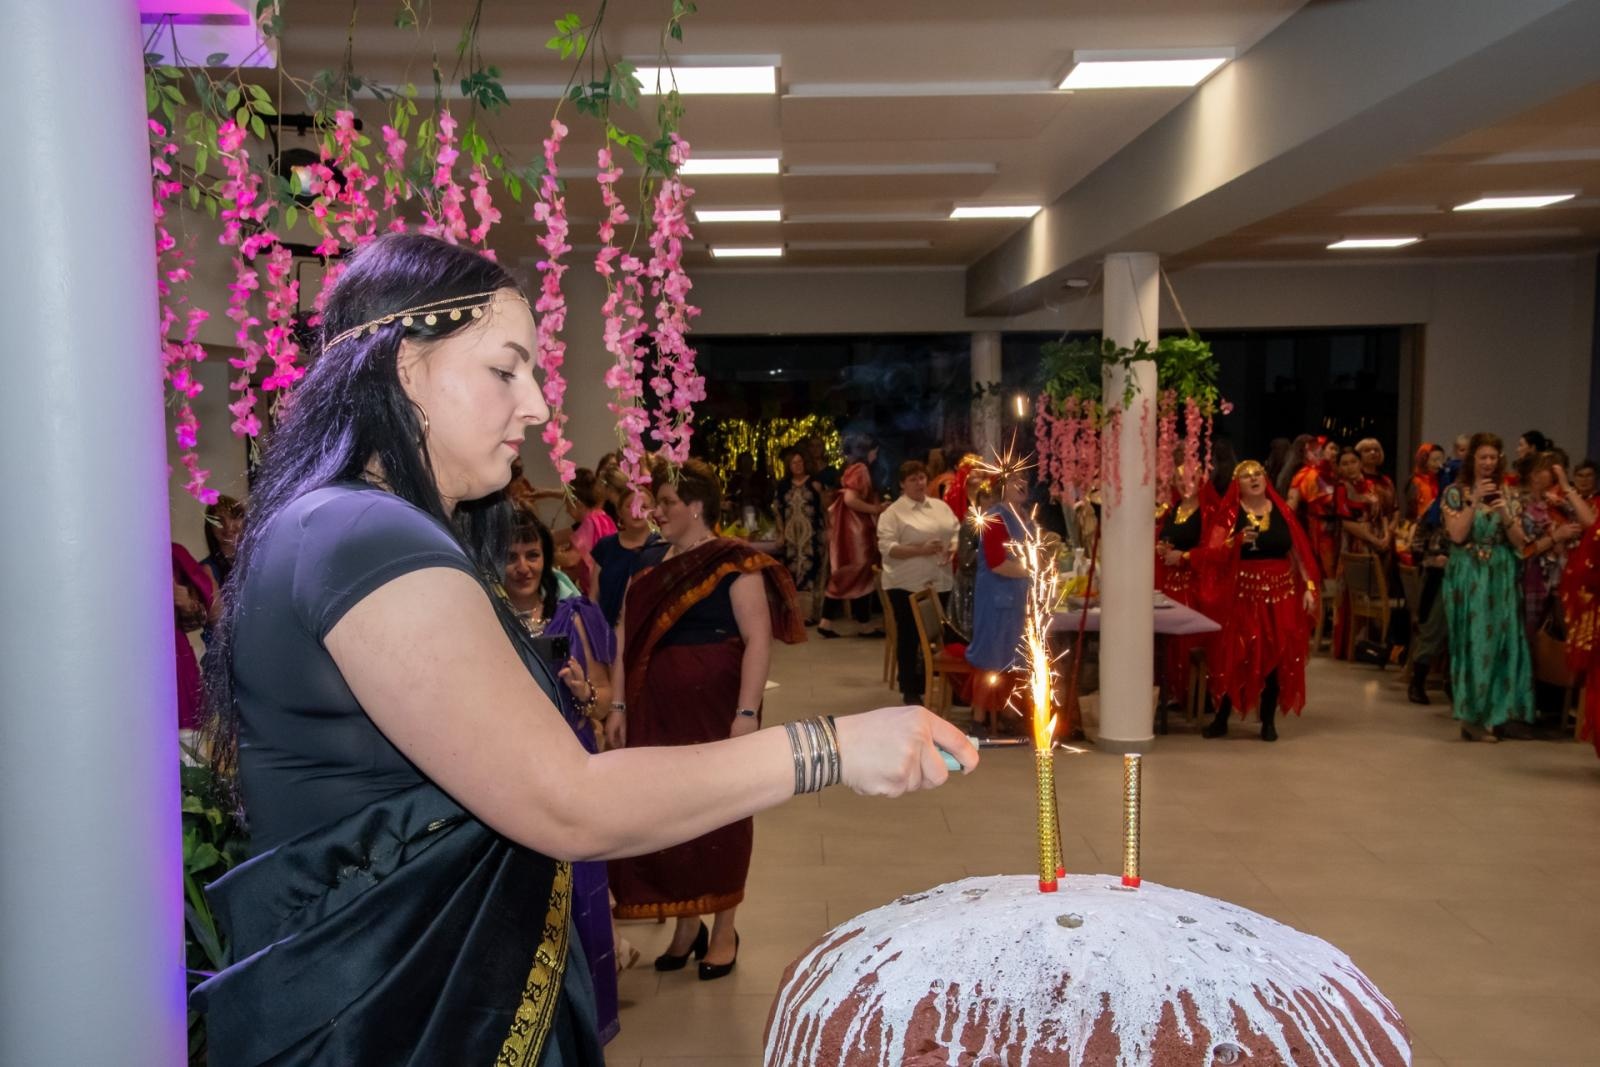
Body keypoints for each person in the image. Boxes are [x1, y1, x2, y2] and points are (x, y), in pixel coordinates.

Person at [191, 234, 977, 1066]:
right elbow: (568, 801)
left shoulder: (344, 525)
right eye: (506, 370)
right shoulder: (360, 533)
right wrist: (831, 747)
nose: (535, 404)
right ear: (405, 367)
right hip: (390, 1020)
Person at [607, 458, 806, 982]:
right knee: (671, 813)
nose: (656, 512)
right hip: (657, 712)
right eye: (656, 502)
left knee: (722, 814)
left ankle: (724, 929)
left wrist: (746, 712)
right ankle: (686, 923)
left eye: (667, 503)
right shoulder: (648, 564)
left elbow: (758, 640)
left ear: (696, 507)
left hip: (716, 710)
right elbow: (624, 637)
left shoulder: (732, 561)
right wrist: (619, 706)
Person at [503, 505, 622, 1042]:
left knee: (581, 896)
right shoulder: (486, 619)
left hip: (573, 767)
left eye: (532, 555)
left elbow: (604, 702)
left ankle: (585, 1026)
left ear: (547, 559)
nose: (523, 567)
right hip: (512, 773)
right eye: (511, 557)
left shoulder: (574, 616)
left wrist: (583, 691)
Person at [1196, 461, 1320, 742]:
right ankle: (1221, 718)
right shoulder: (1230, 514)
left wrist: (1309, 588)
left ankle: (1268, 720)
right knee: (1237, 653)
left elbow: (1298, 552)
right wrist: (1235, 542)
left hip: (1280, 594)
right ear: (1237, 485)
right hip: (1242, 595)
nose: (1253, 479)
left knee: (1277, 652)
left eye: (1258, 474)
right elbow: (1212, 552)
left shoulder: (1283, 512)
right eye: (1246, 476)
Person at [1440, 433, 1534, 741]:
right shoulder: (1456, 493)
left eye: (1493, 457)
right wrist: (1475, 500)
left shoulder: (1509, 493)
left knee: (1502, 644)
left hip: (1501, 575)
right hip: (1469, 575)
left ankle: (1497, 713)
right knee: (1474, 643)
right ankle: (1471, 717)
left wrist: (1504, 510)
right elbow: (1457, 535)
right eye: (1483, 457)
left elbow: (1521, 542)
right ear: (1472, 460)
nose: (1489, 463)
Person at [878, 460, 961, 707]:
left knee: (950, 632)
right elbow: (888, 549)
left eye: (922, 478)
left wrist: (953, 548)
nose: (919, 483)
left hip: (941, 580)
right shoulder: (893, 513)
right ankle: (909, 687)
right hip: (906, 583)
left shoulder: (940, 506)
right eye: (912, 479)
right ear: (902, 484)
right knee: (910, 634)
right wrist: (921, 549)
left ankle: (950, 684)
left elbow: (956, 531)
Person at [966, 469, 1033, 728]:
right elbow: (997, 563)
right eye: (1015, 480)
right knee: (990, 660)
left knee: (1015, 658)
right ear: (1002, 488)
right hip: (995, 601)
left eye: (1024, 479)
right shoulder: (995, 518)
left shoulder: (1024, 517)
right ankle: (979, 717)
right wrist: (1032, 570)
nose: (1022, 484)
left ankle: (1008, 713)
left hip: (1016, 599)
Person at [1517, 452, 1592, 637]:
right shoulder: (1520, 505)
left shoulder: (1557, 502)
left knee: (1567, 634)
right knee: (1531, 635)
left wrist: (1567, 487)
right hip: (1532, 581)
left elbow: (1590, 522)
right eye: (1547, 469)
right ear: (1534, 475)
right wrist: (1556, 537)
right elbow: (1523, 550)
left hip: (1562, 580)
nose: (1553, 473)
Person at [818, 438, 886, 638]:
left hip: (849, 528)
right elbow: (850, 499)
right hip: (855, 531)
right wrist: (875, 509)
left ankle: (840, 622)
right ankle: (857, 623)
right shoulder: (861, 469)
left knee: (853, 574)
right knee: (856, 572)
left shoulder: (851, 469)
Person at [1155, 469, 1210, 710]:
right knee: (1167, 641)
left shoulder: (1208, 512)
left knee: (1189, 638)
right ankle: (1171, 692)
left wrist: (1185, 556)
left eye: (1190, 478)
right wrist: (1161, 548)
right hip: (1169, 584)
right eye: (1179, 479)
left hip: (1195, 585)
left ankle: (1193, 695)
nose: (1185, 483)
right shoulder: (1173, 510)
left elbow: (1215, 550)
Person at [589, 468, 659, 629]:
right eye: (630, 506)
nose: (636, 512)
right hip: (606, 630)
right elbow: (594, 596)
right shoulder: (606, 546)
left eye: (643, 507)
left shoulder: (661, 547)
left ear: (652, 512)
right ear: (619, 512)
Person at [772, 447, 827, 626]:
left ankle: (810, 614)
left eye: (800, 462)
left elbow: (825, 508)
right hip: (791, 537)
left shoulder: (814, 483)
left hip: (812, 534)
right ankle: (797, 614)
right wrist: (781, 533)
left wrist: (829, 529)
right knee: (793, 571)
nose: (797, 465)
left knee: (811, 570)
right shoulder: (783, 486)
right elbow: (778, 511)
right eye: (794, 463)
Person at [172, 542, 214, 747]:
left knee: (187, 742)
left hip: (174, 659)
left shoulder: (171, 554)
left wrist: (186, 602)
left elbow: (203, 615)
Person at [199, 494, 245, 646]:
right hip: (224, 652)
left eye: (235, 517)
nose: (229, 526)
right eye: (219, 520)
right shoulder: (206, 570)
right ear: (210, 528)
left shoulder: (257, 562)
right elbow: (218, 624)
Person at [564, 467, 616, 596]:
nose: (566, 510)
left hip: (598, 592)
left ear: (578, 504)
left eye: (567, 504)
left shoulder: (589, 524)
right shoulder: (603, 516)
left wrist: (550, 554)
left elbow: (571, 559)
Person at [1404, 443, 1445, 524]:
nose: (1440, 465)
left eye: (1441, 460)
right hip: (1420, 526)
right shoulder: (1415, 482)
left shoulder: (1441, 479)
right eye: (1435, 460)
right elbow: (1411, 512)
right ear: (1424, 460)